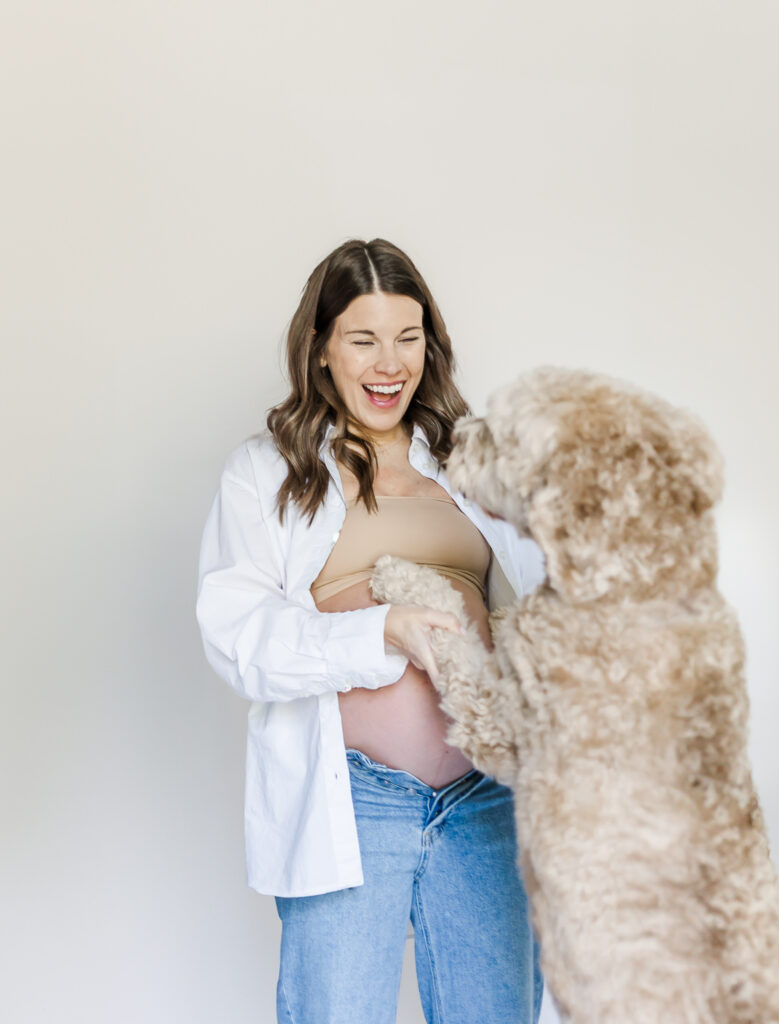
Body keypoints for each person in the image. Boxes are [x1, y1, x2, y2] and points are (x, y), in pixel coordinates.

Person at [195, 238, 546, 1023]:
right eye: (363, 339)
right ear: (321, 350)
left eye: (408, 338)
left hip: (486, 802)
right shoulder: (267, 474)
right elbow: (238, 637)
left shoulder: (476, 467)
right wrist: (379, 631)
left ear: (431, 344)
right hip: (353, 802)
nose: (390, 363)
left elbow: (561, 594)